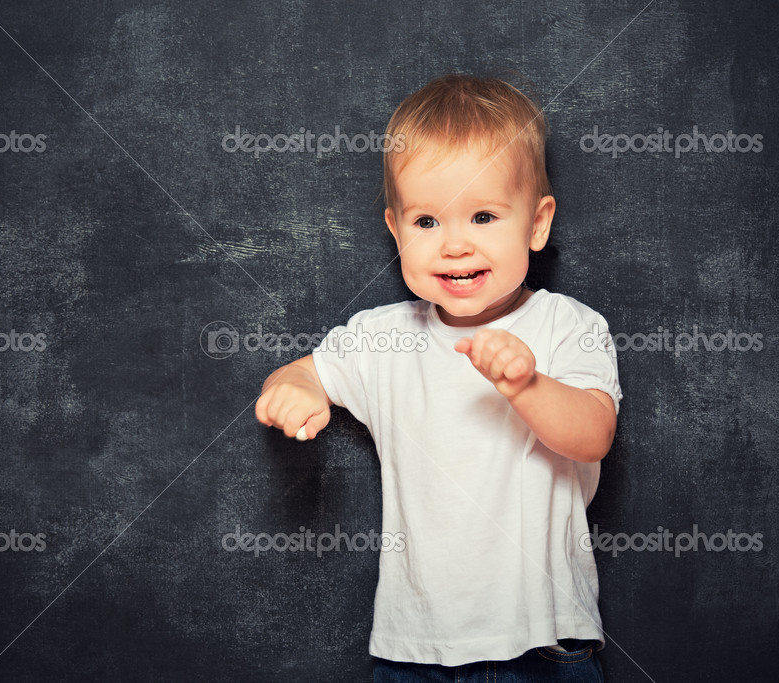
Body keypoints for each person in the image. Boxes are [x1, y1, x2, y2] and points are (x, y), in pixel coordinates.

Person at [255, 74, 622, 682]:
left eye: (483, 216)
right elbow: (303, 370)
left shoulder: (566, 325)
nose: (454, 245)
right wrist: (294, 388)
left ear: (537, 224)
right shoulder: (382, 337)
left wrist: (526, 385)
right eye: (426, 222)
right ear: (395, 229)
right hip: (414, 650)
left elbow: (593, 434)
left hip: (540, 646)